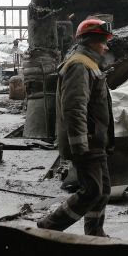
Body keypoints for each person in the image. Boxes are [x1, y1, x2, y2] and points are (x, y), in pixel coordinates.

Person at [37, 19, 114, 236]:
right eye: (103, 42)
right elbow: (74, 107)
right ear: (92, 41)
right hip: (87, 140)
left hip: (96, 139)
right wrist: (80, 145)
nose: (106, 47)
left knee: (103, 191)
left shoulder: (90, 63)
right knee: (92, 190)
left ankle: (95, 233)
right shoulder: (79, 65)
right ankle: (50, 226)